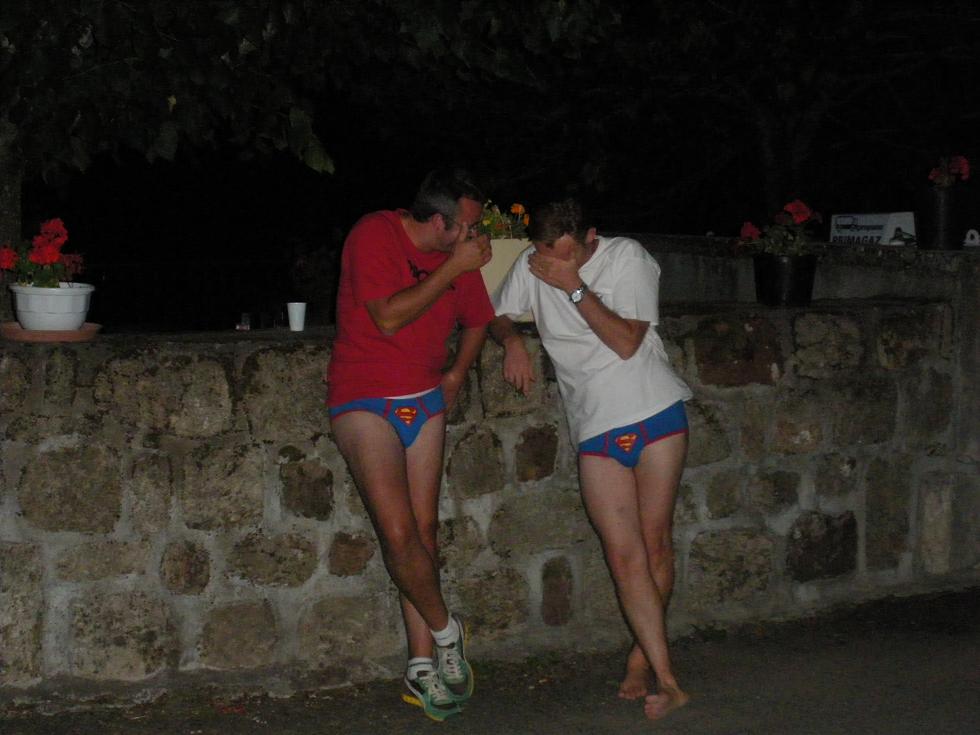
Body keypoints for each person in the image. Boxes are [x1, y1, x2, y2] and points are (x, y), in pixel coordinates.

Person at [489, 199, 693, 721]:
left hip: (653, 411)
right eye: (544, 253)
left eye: (565, 254)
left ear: (589, 238)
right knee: (623, 557)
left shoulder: (627, 257)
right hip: (596, 426)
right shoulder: (534, 263)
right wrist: (512, 340)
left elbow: (627, 341)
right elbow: (496, 310)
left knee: (655, 543)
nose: (552, 263)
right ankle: (662, 669)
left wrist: (573, 286)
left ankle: (650, 666)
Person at [326, 169, 493, 721]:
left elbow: (478, 319)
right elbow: (388, 316)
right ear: (439, 223)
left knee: (424, 532)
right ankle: (447, 632)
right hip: (364, 398)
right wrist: (453, 268)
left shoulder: (458, 258)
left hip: (424, 399)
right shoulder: (374, 234)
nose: (476, 235)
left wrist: (457, 374)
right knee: (397, 532)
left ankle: (421, 666)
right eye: (468, 225)